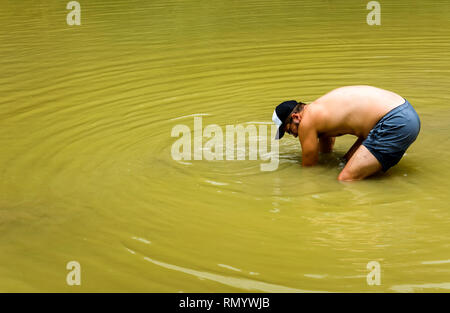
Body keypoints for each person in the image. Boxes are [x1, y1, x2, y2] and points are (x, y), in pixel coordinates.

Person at [272, 85, 421, 181]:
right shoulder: (320, 111)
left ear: (295, 117)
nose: (295, 136)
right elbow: (327, 152)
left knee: (346, 178)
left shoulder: (306, 122)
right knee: (346, 161)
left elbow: (309, 168)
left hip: (394, 122)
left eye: (289, 130)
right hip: (406, 111)